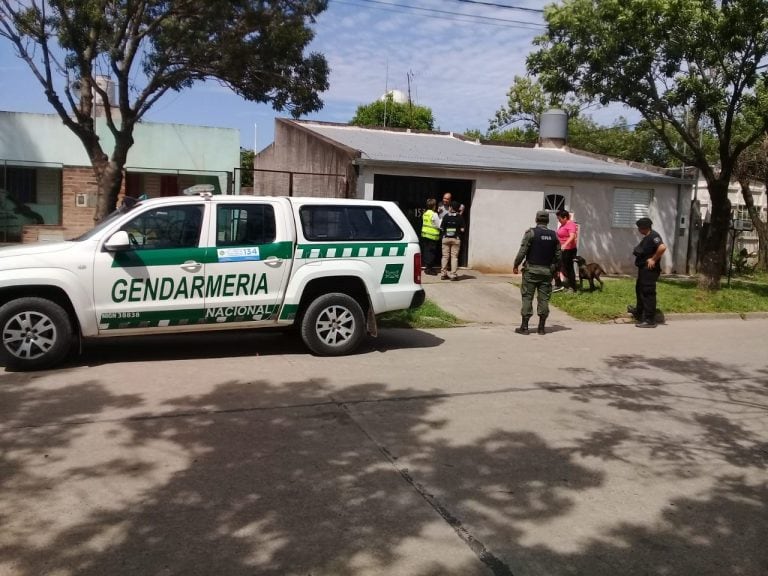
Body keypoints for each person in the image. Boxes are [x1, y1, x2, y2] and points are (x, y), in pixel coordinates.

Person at [513, 210, 562, 335]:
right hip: (547, 272)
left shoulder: (531, 233)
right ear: (548, 221)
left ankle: (524, 327)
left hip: (531, 271)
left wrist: (516, 265)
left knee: (527, 297)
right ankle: (541, 328)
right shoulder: (554, 235)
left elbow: (522, 251)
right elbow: (558, 256)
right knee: (544, 299)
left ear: (536, 220)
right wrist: (556, 270)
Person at [629, 217, 666, 328]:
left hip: (649, 271)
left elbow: (662, 247)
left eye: (639, 228)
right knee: (640, 290)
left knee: (647, 293)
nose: (638, 230)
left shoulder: (654, 236)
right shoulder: (648, 237)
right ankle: (639, 312)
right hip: (643, 270)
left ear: (643, 228)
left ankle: (649, 319)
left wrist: (653, 259)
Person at [553, 209, 578, 293]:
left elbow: (572, 237)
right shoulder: (562, 225)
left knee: (568, 268)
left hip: (569, 250)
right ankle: (558, 284)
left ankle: (572, 287)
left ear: (565, 217)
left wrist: (565, 244)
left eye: (559, 219)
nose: (559, 221)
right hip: (560, 249)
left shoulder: (571, 224)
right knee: (556, 266)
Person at [439, 200, 465, 281]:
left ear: (451, 207)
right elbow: (462, 229)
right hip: (456, 239)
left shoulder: (446, 216)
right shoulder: (460, 217)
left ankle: (443, 274)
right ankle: (453, 275)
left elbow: (441, 227)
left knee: (445, 256)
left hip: (446, 238)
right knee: (454, 257)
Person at [420, 198, 441, 275]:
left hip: (425, 235)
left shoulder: (425, 213)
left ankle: (427, 267)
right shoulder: (434, 214)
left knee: (426, 251)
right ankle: (429, 269)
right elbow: (439, 225)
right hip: (432, 236)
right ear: (434, 206)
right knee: (431, 253)